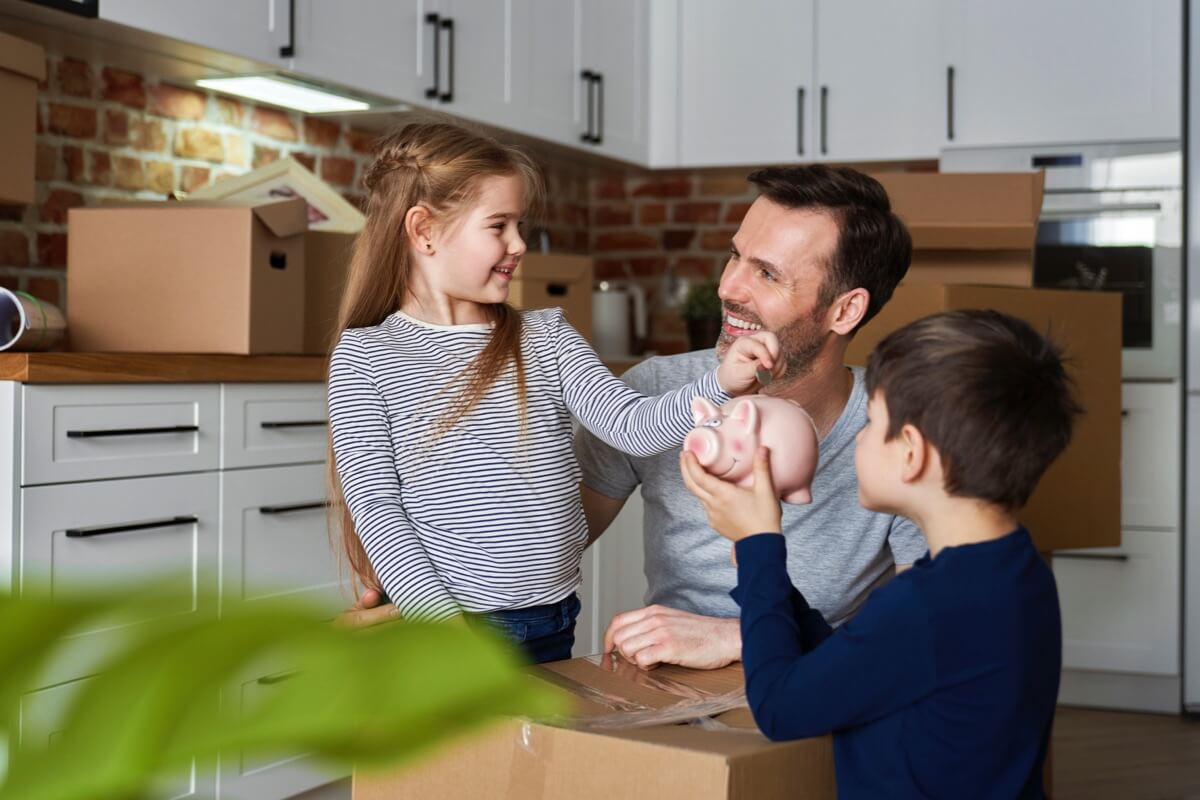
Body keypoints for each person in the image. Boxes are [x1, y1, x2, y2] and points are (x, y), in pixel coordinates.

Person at [326, 121, 777, 664]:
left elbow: (630, 425)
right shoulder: (367, 356)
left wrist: (720, 381)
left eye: (520, 225)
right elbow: (377, 507)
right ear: (423, 230)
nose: (519, 244)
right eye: (498, 225)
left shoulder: (545, 334)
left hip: (553, 616)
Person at [680, 309, 1075, 798]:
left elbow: (781, 709)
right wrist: (763, 567)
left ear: (911, 453)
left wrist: (760, 544)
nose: (859, 437)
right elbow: (857, 664)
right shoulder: (1016, 571)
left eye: (872, 423)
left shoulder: (923, 607)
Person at [577, 165, 928, 669]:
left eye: (767, 273)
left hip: (822, 692)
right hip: (663, 695)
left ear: (845, 311)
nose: (727, 288)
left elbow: (932, 632)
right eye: (735, 256)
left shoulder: (898, 426)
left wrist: (741, 636)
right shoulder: (656, 397)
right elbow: (537, 555)